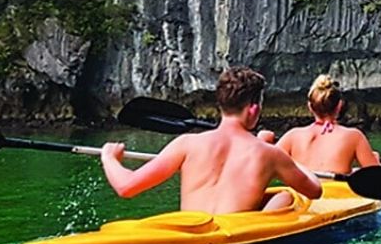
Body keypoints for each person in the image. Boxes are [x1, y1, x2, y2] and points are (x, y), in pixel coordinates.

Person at [99, 67, 322, 214]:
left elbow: (126, 187)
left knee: (279, 196)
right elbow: (315, 191)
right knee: (285, 197)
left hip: (187, 233)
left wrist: (109, 157)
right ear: (254, 109)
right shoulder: (270, 154)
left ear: (221, 104)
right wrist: (294, 161)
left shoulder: (187, 144)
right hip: (233, 241)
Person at [275, 75, 381, 174]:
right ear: (339, 106)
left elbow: (267, 162)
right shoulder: (354, 137)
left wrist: (265, 141)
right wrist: (375, 160)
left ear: (310, 107)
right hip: (334, 192)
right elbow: (375, 177)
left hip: (302, 192)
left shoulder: (292, 136)